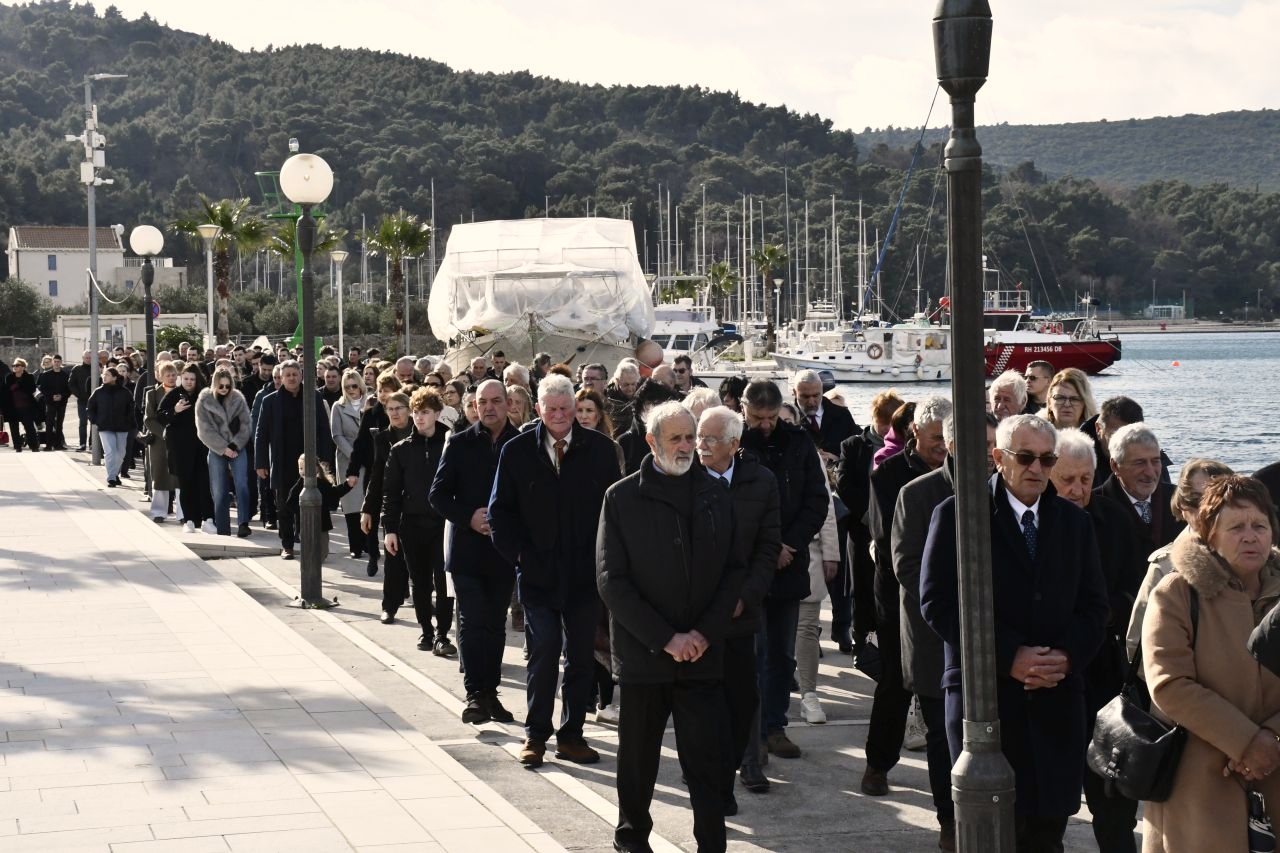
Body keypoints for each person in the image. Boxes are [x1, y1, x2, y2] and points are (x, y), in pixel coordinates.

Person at [921, 414, 1109, 853]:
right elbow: (937, 602)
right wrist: (1009, 656)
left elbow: (1096, 608)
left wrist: (1064, 657)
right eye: (1025, 458)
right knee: (991, 833)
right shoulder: (958, 515)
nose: (1037, 469)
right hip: (987, 700)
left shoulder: (1074, 523)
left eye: (1047, 459)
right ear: (998, 457)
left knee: (1047, 834)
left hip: (1056, 701)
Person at [598, 402, 744, 852]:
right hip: (644, 656)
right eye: (675, 438)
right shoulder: (621, 498)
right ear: (651, 442)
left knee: (707, 762)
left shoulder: (716, 494)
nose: (686, 447)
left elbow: (734, 572)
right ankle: (632, 840)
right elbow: (611, 580)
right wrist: (666, 638)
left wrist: (702, 634)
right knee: (638, 759)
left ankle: (712, 845)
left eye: (690, 437)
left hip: (702, 654)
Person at [488, 374, 623, 768]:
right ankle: (535, 735)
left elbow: (615, 512)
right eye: (552, 409)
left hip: (584, 576)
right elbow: (499, 512)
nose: (560, 415)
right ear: (538, 409)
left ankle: (572, 735)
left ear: (576, 408)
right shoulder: (516, 451)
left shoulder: (601, 450)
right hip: (537, 574)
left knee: (581, 657)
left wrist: (605, 562)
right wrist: (519, 556)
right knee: (544, 652)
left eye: (566, 408)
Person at [1141, 475, 1280, 853]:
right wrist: (1246, 742)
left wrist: (1272, 738)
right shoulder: (1177, 593)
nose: (1250, 537)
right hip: (1198, 786)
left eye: (1259, 526)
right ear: (1209, 536)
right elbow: (1169, 684)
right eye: (1236, 528)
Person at [892, 412, 997, 851]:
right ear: (952, 446)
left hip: (994, 641)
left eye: (993, 444)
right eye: (979, 444)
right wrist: (966, 608)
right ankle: (949, 820)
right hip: (937, 637)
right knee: (942, 736)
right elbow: (907, 567)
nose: (988, 454)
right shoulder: (917, 494)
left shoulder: (1004, 492)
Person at [1050, 428, 1146, 853]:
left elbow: (1136, 589)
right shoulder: (1037, 522)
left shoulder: (1115, 519)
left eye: (1085, 479)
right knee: (1050, 799)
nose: (1077, 489)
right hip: (1051, 672)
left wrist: (1104, 613)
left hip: (1106, 673)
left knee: (1113, 797)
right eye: (1067, 480)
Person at [737, 379, 828, 783]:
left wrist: (788, 544)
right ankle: (753, 733)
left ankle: (775, 726)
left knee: (781, 655)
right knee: (753, 656)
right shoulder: (736, 443)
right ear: (744, 410)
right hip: (751, 566)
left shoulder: (798, 442)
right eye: (758, 418)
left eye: (771, 418)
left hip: (789, 563)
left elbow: (816, 500)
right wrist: (768, 548)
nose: (765, 425)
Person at [861, 395, 952, 798]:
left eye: (947, 439)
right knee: (896, 683)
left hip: (950, 597)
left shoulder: (967, 472)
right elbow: (887, 544)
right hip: (900, 595)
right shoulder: (888, 475)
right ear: (915, 431)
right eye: (935, 439)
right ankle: (877, 763)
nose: (942, 447)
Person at [429, 379, 520, 725]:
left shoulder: (521, 443)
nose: (489, 407)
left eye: (496, 401)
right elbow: (438, 495)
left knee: (495, 624)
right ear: (475, 405)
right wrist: (469, 516)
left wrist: (506, 524)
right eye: (483, 402)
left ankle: (490, 693)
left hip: (503, 550)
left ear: (508, 404)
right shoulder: (459, 443)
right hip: (466, 549)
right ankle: (474, 695)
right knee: (471, 620)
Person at [1124, 458, 1235, 663]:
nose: (1208, 509)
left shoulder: (1257, 558)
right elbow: (1138, 648)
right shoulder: (1165, 567)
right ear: (1183, 506)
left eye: (1219, 500)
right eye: (1197, 500)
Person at [383, 387, 454, 656]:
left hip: (442, 525)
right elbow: (391, 493)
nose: (419, 417)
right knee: (420, 582)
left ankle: (443, 634)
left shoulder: (450, 444)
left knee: (443, 582)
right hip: (411, 525)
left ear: (436, 413)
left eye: (425, 412)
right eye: (415, 412)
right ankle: (426, 630)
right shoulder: (400, 450)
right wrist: (390, 529)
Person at [836, 389, 905, 662]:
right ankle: (861, 640)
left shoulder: (906, 447)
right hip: (862, 529)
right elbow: (844, 484)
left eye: (892, 423)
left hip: (893, 531)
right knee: (861, 588)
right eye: (883, 422)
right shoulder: (854, 445)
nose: (887, 428)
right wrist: (869, 515)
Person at [254, 359, 333, 559]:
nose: (291, 378)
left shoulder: (313, 397)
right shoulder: (270, 401)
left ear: (301, 375)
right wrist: (260, 462)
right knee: (284, 506)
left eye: (294, 374)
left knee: (309, 504)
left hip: (309, 461)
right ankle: (287, 545)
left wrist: (324, 459)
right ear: (281, 378)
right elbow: (261, 434)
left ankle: (308, 544)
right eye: (287, 375)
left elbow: (324, 430)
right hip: (282, 460)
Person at [360, 392, 414, 613]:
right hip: (392, 504)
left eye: (398, 408)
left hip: (420, 503)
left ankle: (422, 600)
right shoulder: (382, 438)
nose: (394, 413)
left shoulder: (421, 431)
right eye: (390, 409)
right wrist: (367, 509)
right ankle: (389, 606)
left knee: (420, 561)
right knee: (392, 557)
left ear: (409, 409)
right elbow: (377, 475)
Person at [1097, 422, 1184, 557]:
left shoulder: (1180, 501)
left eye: (1155, 461)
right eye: (1139, 463)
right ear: (1115, 466)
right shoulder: (1095, 507)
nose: (1150, 472)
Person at [196, 367, 253, 537]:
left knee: (242, 485)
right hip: (216, 449)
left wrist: (235, 445)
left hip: (237, 448)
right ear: (214, 384)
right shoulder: (204, 399)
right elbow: (204, 430)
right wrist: (223, 448)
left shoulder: (238, 398)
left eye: (227, 386)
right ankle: (223, 528)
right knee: (219, 490)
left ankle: (243, 523)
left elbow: (246, 424)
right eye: (221, 386)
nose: (224, 389)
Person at [158, 365, 215, 532]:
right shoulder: (173, 395)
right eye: (186, 379)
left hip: (202, 446)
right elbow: (160, 416)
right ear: (180, 379)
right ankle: (189, 520)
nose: (189, 382)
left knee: (204, 483)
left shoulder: (204, 395)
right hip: (180, 447)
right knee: (185, 483)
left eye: (192, 379)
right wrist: (174, 410)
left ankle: (208, 519)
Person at [330, 369, 369, 559]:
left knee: (368, 502)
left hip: (370, 458)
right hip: (348, 459)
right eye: (347, 387)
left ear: (360, 385)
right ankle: (356, 545)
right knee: (351, 504)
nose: (351, 390)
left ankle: (369, 543)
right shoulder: (338, 406)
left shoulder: (371, 402)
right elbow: (336, 434)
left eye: (354, 385)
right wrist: (354, 455)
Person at [792, 369, 857, 462]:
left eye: (816, 396)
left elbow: (856, 452)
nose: (811, 402)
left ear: (822, 390)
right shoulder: (787, 419)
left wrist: (837, 460)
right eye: (805, 397)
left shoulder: (843, 416)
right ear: (795, 393)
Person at [85, 366, 135, 487]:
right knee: (110, 452)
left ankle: (115, 473)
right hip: (105, 426)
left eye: (107, 375)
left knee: (121, 453)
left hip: (122, 427)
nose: (104, 376)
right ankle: (111, 478)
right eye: (103, 374)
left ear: (114, 377)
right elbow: (90, 407)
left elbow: (131, 408)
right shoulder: (98, 392)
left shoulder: (124, 392)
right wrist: (95, 420)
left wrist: (129, 422)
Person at [143, 362, 180, 522]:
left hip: (179, 441)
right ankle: (159, 512)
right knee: (160, 476)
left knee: (180, 477)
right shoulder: (152, 394)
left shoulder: (182, 392)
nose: (171, 378)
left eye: (173, 375)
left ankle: (183, 514)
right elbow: (148, 419)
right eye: (168, 375)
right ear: (160, 376)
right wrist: (165, 433)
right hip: (159, 441)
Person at [3, 359, 40, 452]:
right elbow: (7, 390)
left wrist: (19, 385)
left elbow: (32, 389)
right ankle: (17, 447)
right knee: (14, 429)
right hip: (12, 407)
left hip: (26, 406)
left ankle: (34, 446)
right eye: (13, 366)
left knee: (29, 427)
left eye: (17, 365)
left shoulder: (29, 377)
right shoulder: (9, 377)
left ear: (23, 367)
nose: (14, 367)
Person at [35, 354, 70, 450]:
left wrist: (62, 396)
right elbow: (43, 389)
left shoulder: (65, 375)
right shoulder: (45, 375)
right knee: (49, 424)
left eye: (58, 362)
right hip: (50, 403)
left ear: (61, 362)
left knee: (59, 424)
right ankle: (49, 445)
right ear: (52, 362)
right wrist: (52, 396)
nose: (57, 363)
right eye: (55, 362)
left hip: (62, 403)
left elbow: (69, 390)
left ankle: (58, 444)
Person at [605, 362, 641, 436]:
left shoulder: (642, 396)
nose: (630, 388)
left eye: (633, 384)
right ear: (617, 381)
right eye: (626, 385)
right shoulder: (608, 399)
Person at [69, 350, 92, 451]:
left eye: (90, 358)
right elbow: (71, 384)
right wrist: (79, 395)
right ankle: (82, 444)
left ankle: (92, 444)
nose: (88, 359)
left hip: (95, 401)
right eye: (86, 358)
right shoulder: (77, 369)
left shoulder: (97, 368)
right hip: (82, 401)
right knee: (83, 422)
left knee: (94, 423)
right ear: (82, 358)